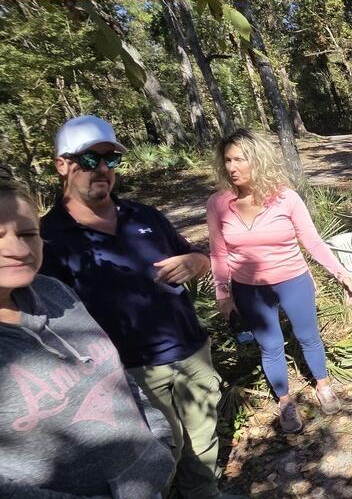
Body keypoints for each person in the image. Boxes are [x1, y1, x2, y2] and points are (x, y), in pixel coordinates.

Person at [39, 116, 231, 499]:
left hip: (190, 351)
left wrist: (197, 263)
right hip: (126, 374)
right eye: (90, 160)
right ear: (62, 164)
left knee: (203, 443)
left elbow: (195, 256)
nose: (104, 170)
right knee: (154, 461)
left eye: (111, 159)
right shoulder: (46, 238)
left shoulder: (145, 216)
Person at [0, 165, 175, 499]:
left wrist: (159, 442)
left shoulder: (52, 292)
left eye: (26, 234)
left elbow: (113, 371)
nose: (18, 250)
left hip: (150, 482)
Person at [206, 129, 352, 435]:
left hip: (293, 280)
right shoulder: (218, 204)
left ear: (258, 161)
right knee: (270, 345)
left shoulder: (285, 198)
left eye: (240, 159)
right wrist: (223, 295)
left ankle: (323, 385)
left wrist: (340, 272)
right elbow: (218, 253)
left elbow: (312, 241)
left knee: (308, 337)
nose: (231, 167)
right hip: (249, 289)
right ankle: (285, 402)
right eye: (227, 160)